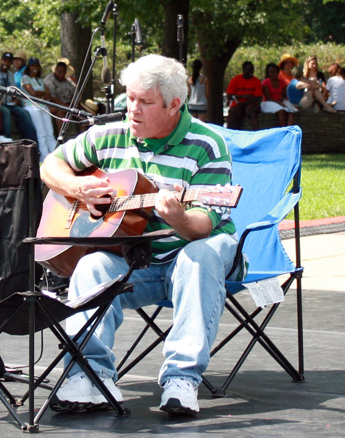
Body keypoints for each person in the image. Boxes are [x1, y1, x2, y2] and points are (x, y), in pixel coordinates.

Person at [41, 54, 241, 416]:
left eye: (144, 102)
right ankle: (91, 376)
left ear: (174, 104)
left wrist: (178, 217)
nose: (132, 109)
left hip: (194, 251)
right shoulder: (110, 135)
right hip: (138, 260)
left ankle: (182, 378)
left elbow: (202, 225)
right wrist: (78, 188)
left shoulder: (208, 144)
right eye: (129, 98)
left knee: (200, 255)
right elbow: (50, 164)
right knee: (91, 268)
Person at [0, 52, 37, 142]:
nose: (6, 63)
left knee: (24, 113)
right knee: (6, 112)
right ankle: (7, 140)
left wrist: (16, 99)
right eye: (4, 61)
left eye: (9, 62)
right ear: (1, 60)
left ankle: (31, 141)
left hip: (8, 103)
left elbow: (13, 91)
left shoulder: (11, 75)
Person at [20, 58, 56, 163]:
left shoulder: (40, 80)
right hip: (32, 106)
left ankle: (54, 154)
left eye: (37, 65)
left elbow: (48, 93)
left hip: (43, 106)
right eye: (32, 65)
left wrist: (40, 93)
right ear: (29, 67)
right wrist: (42, 93)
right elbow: (33, 94)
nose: (35, 68)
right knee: (41, 132)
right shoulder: (25, 78)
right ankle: (45, 157)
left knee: (50, 131)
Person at [226, 61, 263, 130]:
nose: (251, 72)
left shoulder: (257, 81)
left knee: (251, 110)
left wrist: (249, 100)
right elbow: (229, 96)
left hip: (251, 103)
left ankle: (256, 132)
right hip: (237, 104)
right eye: (248, 70)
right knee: (234, 113)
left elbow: (258, 97)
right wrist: (243, 97)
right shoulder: (235, 80)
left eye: (252, 70)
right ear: (243, 70)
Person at [44, 59, 77, 133]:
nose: (62, 74)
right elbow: (52, 96)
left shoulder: (69, 81)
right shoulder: (49, 80)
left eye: (64, 72)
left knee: (83, 115)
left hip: (70, 104)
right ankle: (61, 138)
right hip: (56, 105)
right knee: (60, 115)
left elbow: (76, 93)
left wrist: (74, 103)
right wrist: (65, 106)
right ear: (55, 70)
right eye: (59, 72)